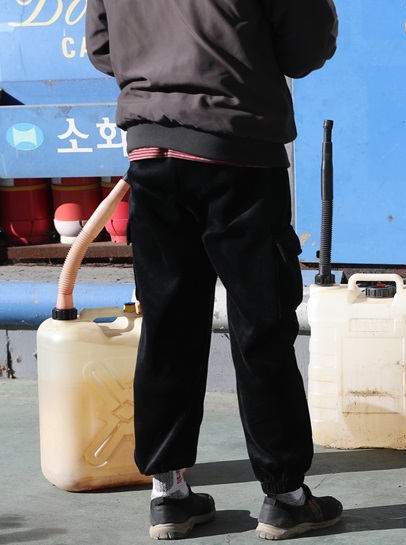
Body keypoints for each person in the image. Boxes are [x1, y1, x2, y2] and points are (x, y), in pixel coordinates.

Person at [86, 0, 342, 539]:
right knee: (262, 327)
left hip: (152, 155)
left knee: (168, 325)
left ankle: (169, 494)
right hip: (240, 154)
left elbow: (103, 49)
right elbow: (306, 46)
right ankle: (285, 495)